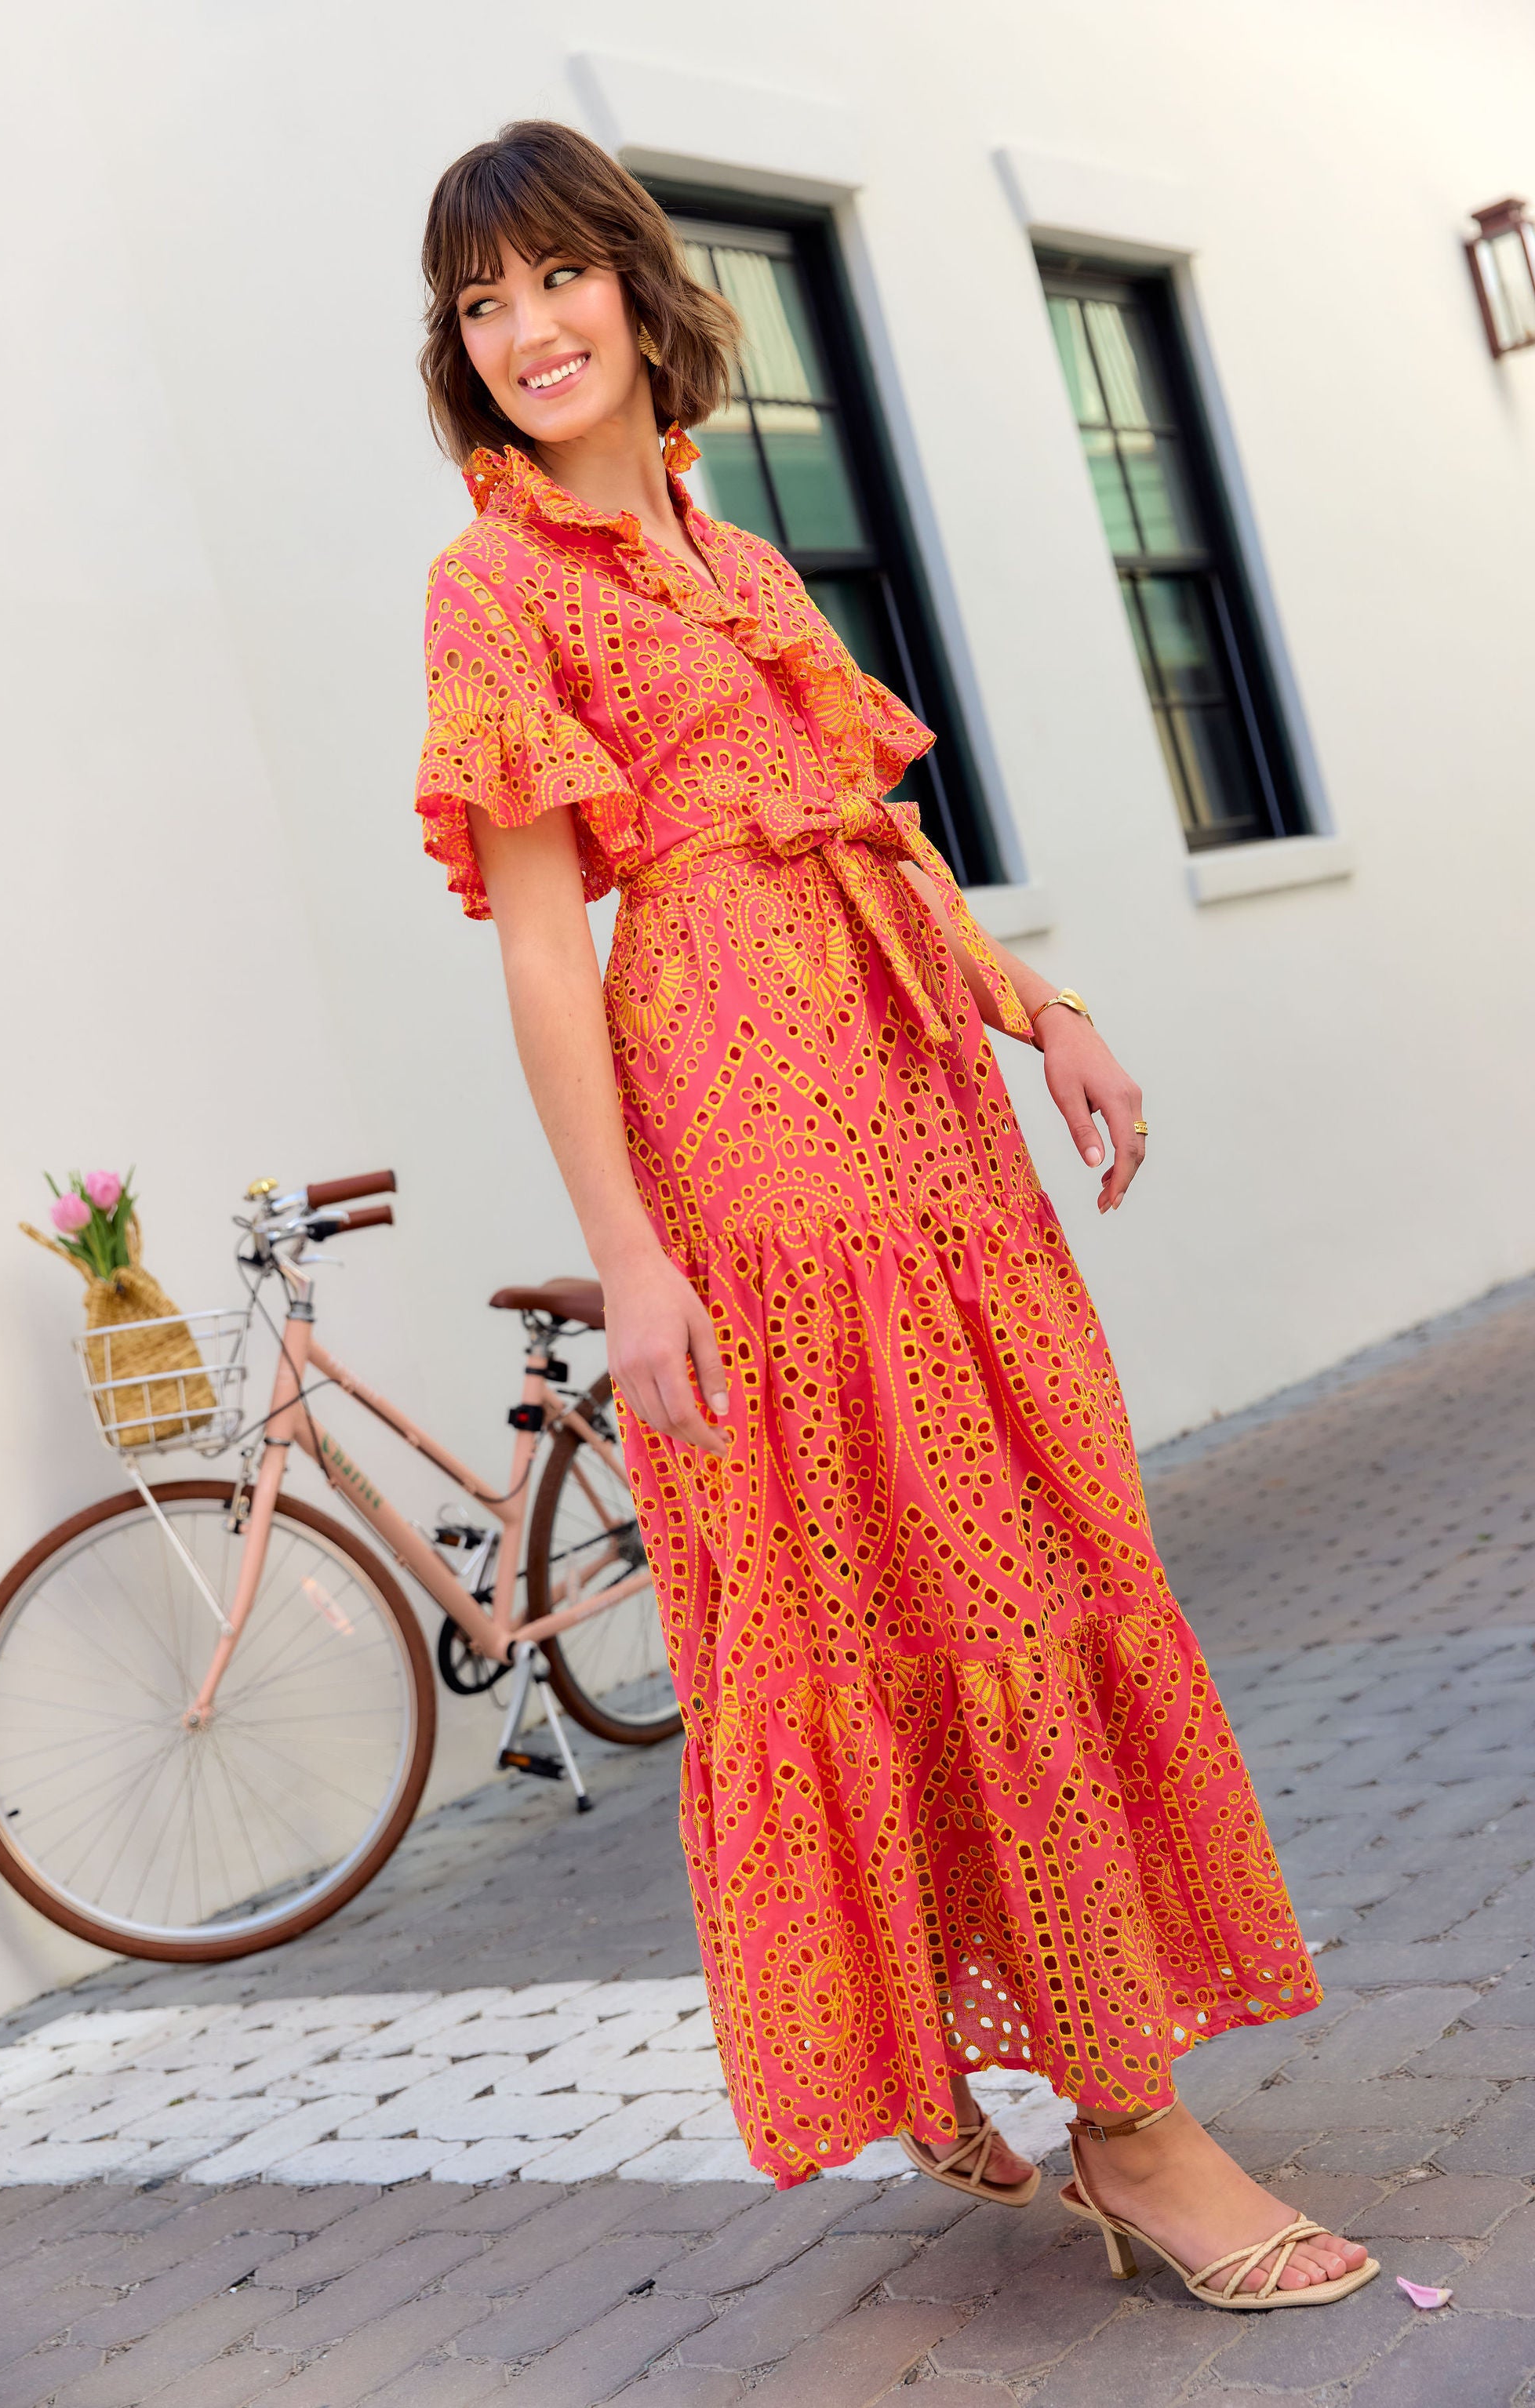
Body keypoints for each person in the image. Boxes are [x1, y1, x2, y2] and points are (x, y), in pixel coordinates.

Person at [410, 118, 1377, 2311]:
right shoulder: (499, 589)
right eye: (483, 304)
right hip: (751, 1152)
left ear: (642, 297)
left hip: (929, 1123)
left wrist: (1049, 1012)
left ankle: (1029, 2050)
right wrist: (632, 1253)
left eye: (556, 277)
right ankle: (1131, 2126)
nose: (528, 328)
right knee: (896, 1592)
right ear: (462, 355)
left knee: (1018, 1567)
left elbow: (869, 838)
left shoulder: (742, 568)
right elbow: (545, 950)